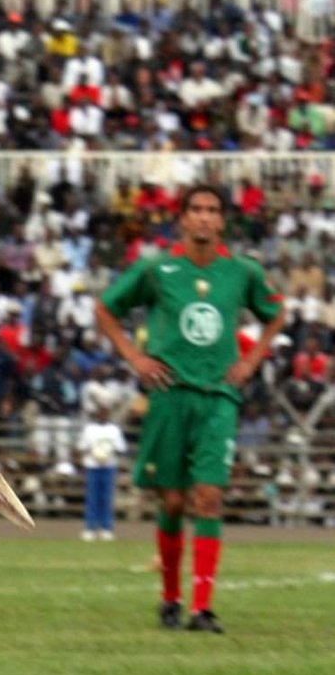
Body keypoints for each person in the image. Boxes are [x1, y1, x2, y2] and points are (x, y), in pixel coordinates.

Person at [96, 184, 286, 633]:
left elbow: (276, 313)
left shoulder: (242, 272)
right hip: (169, 395)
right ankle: (170, 597)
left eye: (213, 210)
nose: (204, 217)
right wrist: (136, 357)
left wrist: (251, 359)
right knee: (175, 501)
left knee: (209, 497)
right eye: (196, 209)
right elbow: (106, 310)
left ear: (222, 221)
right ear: (182, 218)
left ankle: (202, 608)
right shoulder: (157, 269)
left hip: (219, 397)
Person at [77, 401, 126, 542]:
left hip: (109, 466)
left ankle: (106, 528)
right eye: (101, 412)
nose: (103, 414)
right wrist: (94, 451)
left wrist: (109, 450)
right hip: (93, 466)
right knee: (92, 498)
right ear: (97, 413)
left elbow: (121, 448)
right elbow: (81, 447)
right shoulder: (89, 429)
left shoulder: (114, 430)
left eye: (106, 412)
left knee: (106, 498)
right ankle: (90, 528)